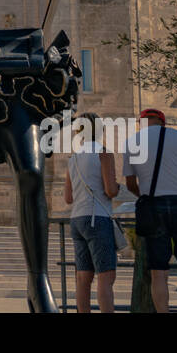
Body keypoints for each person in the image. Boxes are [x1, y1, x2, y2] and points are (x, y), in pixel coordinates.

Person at [122, 108, 177, 312]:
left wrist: (146, 196)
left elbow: (130, 183)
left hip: (153, 206)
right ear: (163, 122)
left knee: (158, 272)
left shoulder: (133, 143)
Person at [63, 112, 119, 312]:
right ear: (100, 130)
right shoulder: (103, 153)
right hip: (98, 218)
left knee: (83, 278)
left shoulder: (73, 159)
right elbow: (110, 190)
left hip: (77, 219)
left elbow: (68, 198)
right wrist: (119, 188)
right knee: (106, 276)